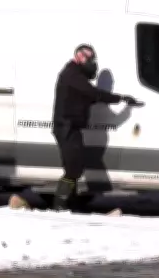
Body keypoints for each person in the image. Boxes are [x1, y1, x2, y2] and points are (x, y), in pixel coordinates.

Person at [51, 44, 139, 211]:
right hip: (66, 128)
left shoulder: (76, 76)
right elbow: (94, 94)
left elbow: (89, 97)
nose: (93, 65)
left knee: (74, 166)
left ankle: (70, 203)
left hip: (71, 128)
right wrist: (120, 98)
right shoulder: (72, 75)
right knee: (73, 168)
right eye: (90, 60)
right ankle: (60, 203)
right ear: (80, 58)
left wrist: (120, 103)